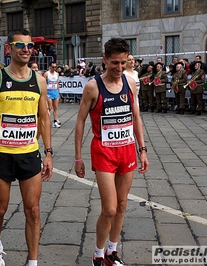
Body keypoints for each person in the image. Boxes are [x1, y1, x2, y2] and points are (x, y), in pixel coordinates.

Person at [0, 29, 53, 266]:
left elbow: (44, 119)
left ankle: (33, 261)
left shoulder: (39, 81)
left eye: (30, 46)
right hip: (1, 155)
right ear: (9, 48)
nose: (26, 50)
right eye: (21, 45)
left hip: (29, 154)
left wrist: (48, 152)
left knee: (34, 211)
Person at [74, 38, 149, 266]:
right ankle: (97, 253)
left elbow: (136, 117)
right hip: (104, 152)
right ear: (104, 60)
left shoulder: (129, 82)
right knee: (109, 208)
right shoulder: (93, 87)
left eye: (123, 63)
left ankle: (111, 252)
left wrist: (142, 150)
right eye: (114, 63)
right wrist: (78, 157)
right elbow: (80, 121)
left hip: (126, 150)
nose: (119, 68)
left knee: (123, 204)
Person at [44, 61, 61, 128]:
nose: (54, 68)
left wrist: (58, 91)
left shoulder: (57, 74)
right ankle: (46, 119)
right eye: (53, 67)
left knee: (56, 107)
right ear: (50, 67)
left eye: (55, 67)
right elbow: (44, 83)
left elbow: (57, 83)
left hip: (55, 91)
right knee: (50, 107)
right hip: (48, 92)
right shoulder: (46, 74)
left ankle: (55, 121)